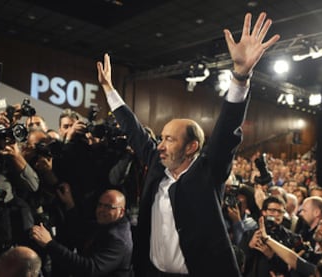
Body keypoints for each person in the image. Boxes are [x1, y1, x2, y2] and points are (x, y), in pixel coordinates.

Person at [96, 12, 280, 277]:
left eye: (169, 139)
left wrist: (240, 77)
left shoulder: (208, 172)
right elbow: (134, 131)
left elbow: (227, 132)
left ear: (191, 147)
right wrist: (109, 90)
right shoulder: (158, 165)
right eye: (161, 138)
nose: (160, 145)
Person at [31, 188, 133, 277]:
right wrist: (69, 204)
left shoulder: (118, 240)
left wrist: (49, 244)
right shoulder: (106, 224)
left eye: (108, 207)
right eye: (100, 205)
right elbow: (80, 228)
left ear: (121, 212)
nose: (101, 210)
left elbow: (89, 269)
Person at [257, 211, 322, 276]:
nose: (320, 228)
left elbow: (296, 261)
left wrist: (267, 238)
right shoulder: (320, 249)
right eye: (321, 224)